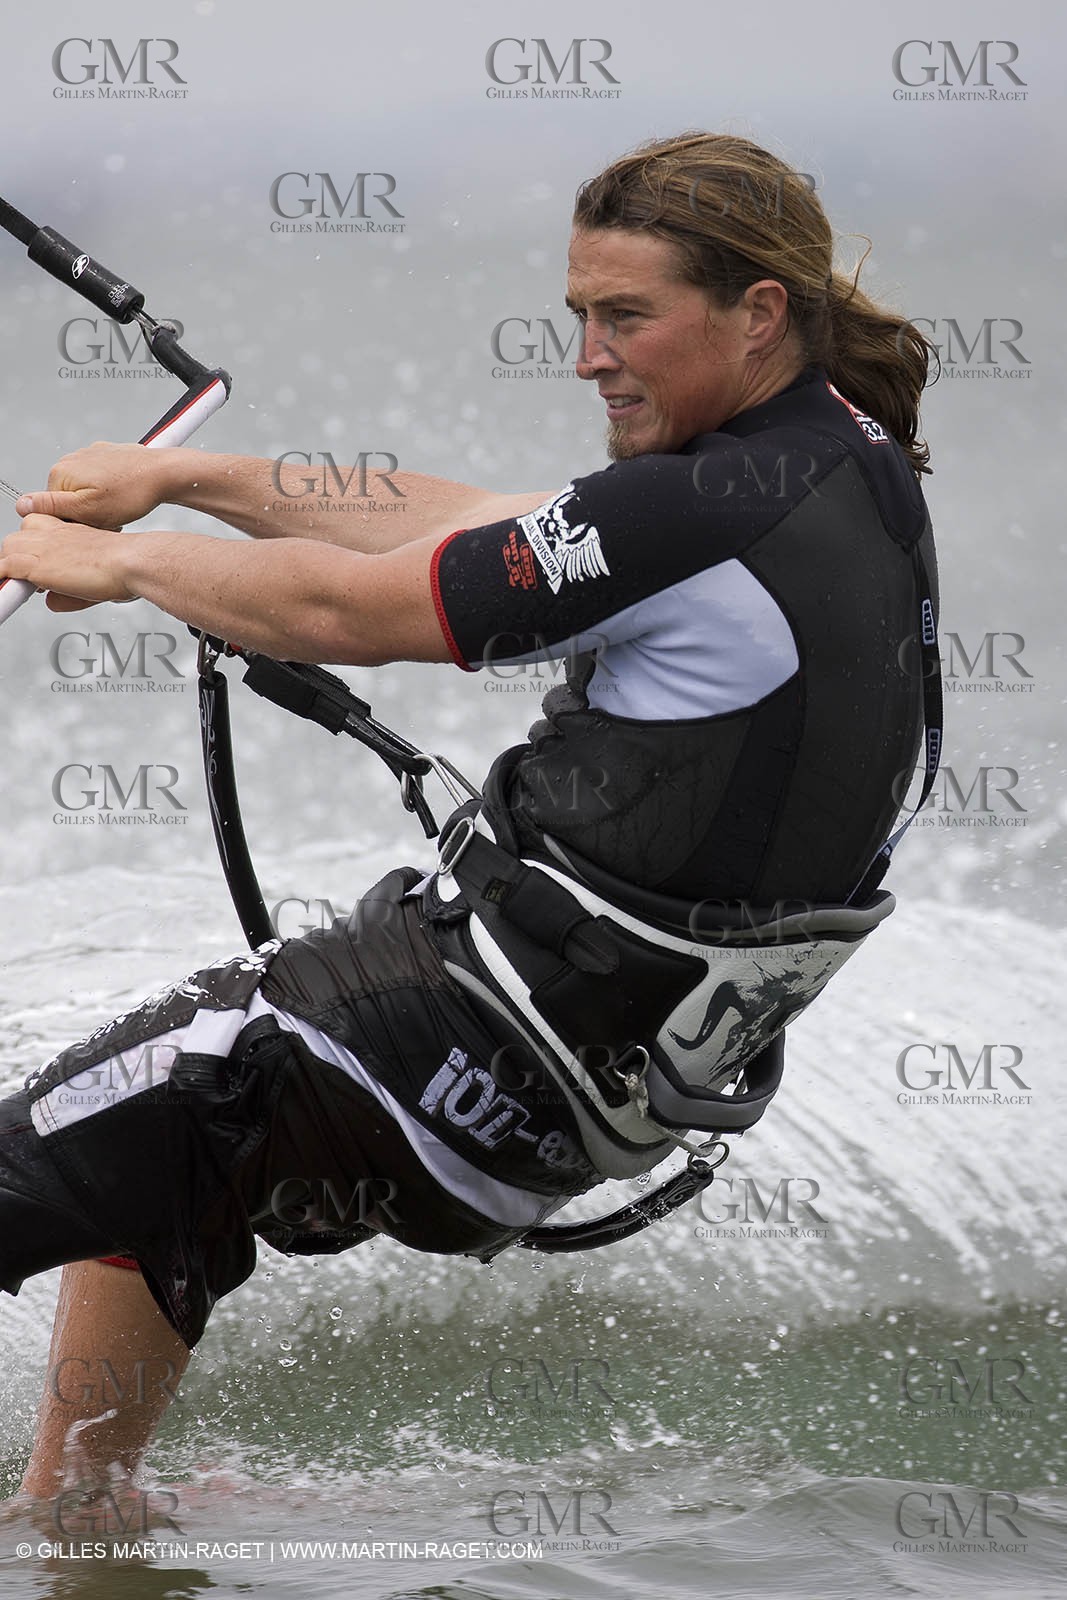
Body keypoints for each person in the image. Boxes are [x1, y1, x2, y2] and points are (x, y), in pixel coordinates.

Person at [0, 131, 937, 1505]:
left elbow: (351, 612)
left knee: (155, 1099)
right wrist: (192, 481)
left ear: (758, 313)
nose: (589, 357)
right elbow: (482, 529)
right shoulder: (839, 462)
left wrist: (129, 566)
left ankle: (77, 1514)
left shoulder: (704, 511)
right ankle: (81, 1518)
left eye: (627, 317)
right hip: (578, 1086)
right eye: (579, 314)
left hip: (468, 1045)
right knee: (169, 1145)